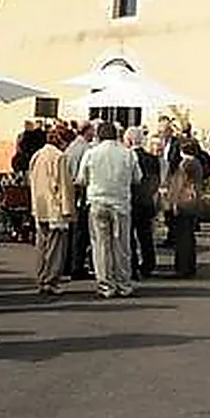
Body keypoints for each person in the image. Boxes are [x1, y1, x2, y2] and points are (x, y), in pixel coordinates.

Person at [81, 119, 141, 298]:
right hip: (121, 203)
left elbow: (81, 179)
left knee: (100, 246)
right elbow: (137, 178)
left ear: (98, 135)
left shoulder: (91, 153)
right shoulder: (128, 154)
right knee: (121, 245)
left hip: (98, 202)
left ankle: (105, 285)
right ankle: (123, 283)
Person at [28, 126, 74, 296]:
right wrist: (68, 209)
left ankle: (41, 277)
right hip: (55, 207)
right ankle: (51, 280)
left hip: (40, 206)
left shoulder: (38, 155)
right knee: (56, 247)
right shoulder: (59, 157)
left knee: (42, 245)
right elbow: (64, 185)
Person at [167, 140, 205, 278]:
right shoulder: (197, 163)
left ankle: (182, 267)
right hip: (194, 201)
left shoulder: (185, 164)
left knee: (182, 236)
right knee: (189, 235)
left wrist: (174, 202)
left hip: (184, 202)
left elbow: (179, 184)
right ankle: (190, 266)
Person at [64, 123, 94, 280]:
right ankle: (77, 265)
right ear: (87, 131)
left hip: (70, 191)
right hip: (81, 193)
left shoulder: (70, 147)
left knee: (72, 231)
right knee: (80, 232)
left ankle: (68, 264)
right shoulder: (85, 149)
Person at [132, 132, 163, 280]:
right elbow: (156, 180)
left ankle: (132, 265)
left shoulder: (129, 157)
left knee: (130, 237)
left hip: (131, 201)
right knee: (145, 236)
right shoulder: (152, 159)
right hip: (146, 201)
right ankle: (148, 264)